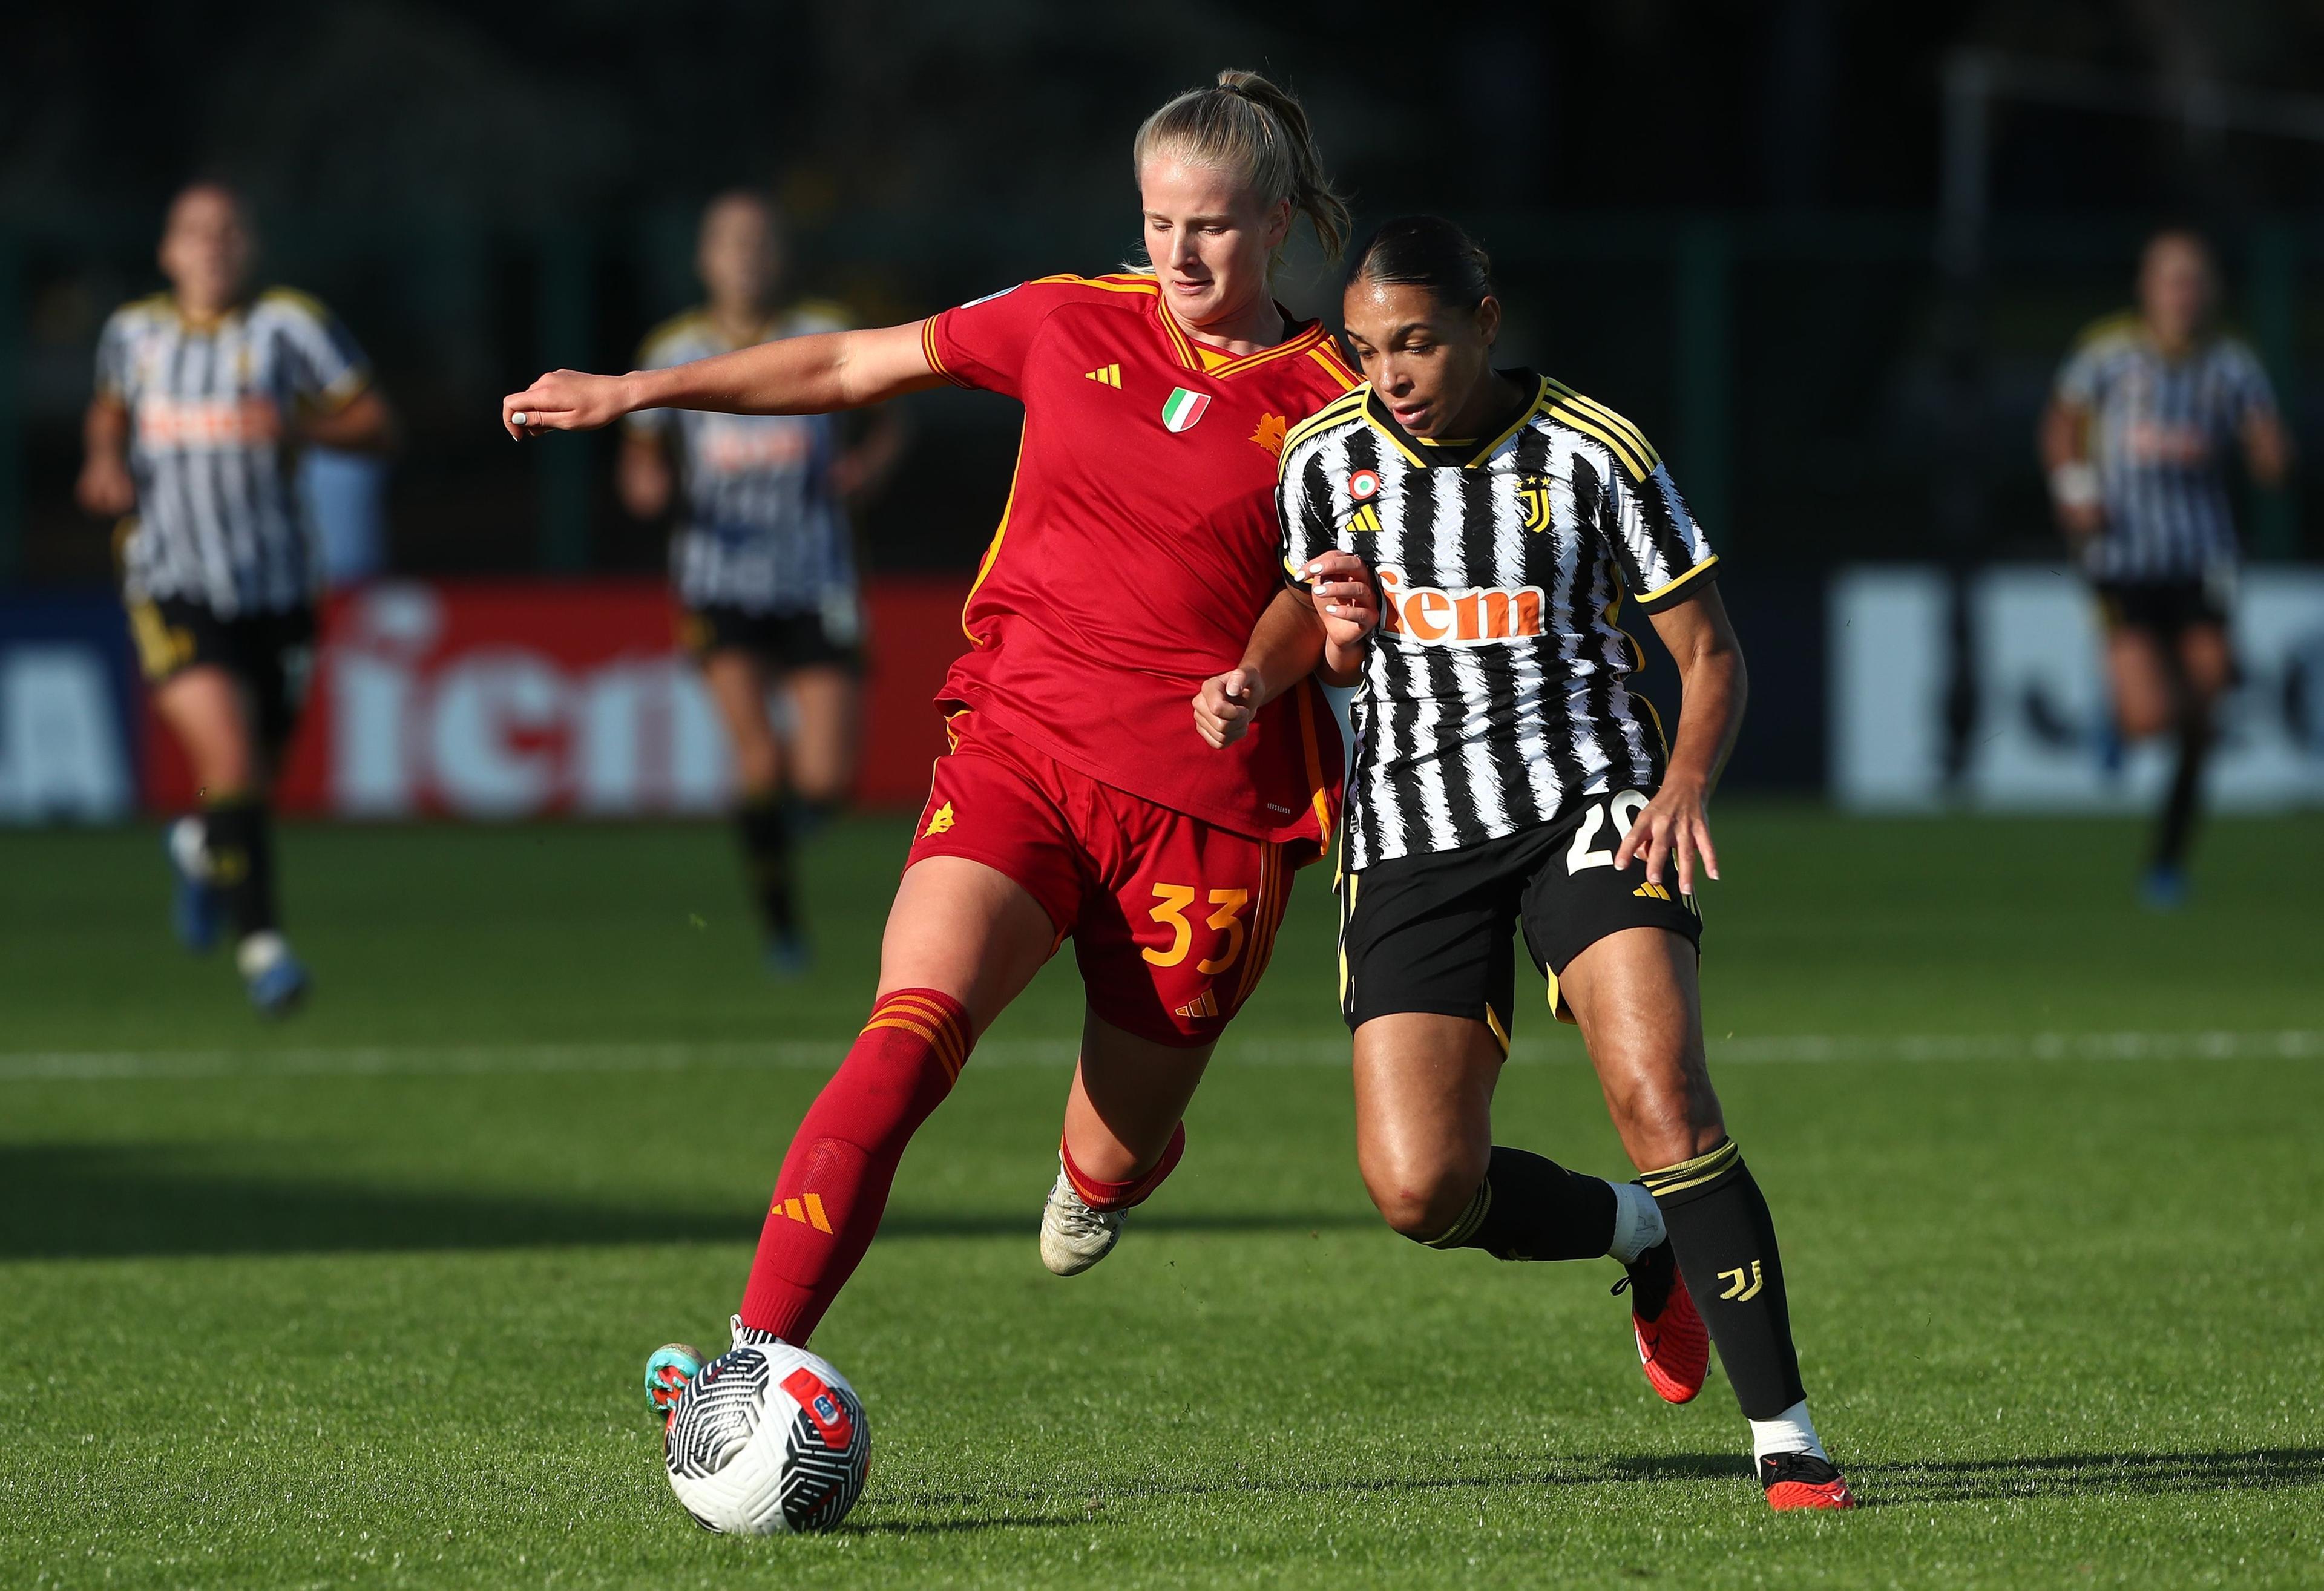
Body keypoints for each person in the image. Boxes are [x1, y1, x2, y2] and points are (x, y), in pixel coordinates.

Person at [501, 72, 1361, 1412]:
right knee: (905, 1035)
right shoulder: (1067, 319)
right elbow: (848, 363)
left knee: (1110, 1155)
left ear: (1282, 223)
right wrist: (639, 390)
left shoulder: (1339, 401)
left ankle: (1109, 1171)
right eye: (1158, 223)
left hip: (1208, 806)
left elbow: (1327, 598)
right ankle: (749, 1361)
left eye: (1212, 226)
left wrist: (1271, 667)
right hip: (1024, 745)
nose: (1180, 254)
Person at [1193, 217, 1854, 1511]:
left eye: (1417, 342)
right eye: (1367, 349)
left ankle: (1787, 1437)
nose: (1390, 374)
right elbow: (1306, 605)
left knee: (1664, 1097)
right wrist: (1257, 674)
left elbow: (1710, 652)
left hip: (1590, 802)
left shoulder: (1594, 452)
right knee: (1419, 1186)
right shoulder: (1324, 457)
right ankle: (1640, 1232)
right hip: (1411, 828)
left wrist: (1683, 782)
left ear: (1486, 324)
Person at [77, 182, 395, 1013]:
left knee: (254, 776)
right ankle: (265, 950)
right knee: (229, 760)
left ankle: (196, 843)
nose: (212, 245)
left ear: (250, 246)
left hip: (278, 584)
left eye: (227, 231)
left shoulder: (291, 325)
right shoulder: (133, 333)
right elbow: (108, 411)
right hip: (172, 580)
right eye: (195, 231)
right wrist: (104, 460)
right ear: (168, 251)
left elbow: (376, 425)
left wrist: (297, 426)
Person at [620, 191, 905, 973]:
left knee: (826, 776)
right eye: (730, 242)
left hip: (818, 575)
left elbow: (893, 415)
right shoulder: (672, 346)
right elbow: (640, 457)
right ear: (704, 259)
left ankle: (777, 833)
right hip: (719, 581)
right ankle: (782, 926)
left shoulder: (825, 329)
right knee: (760, 760)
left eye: (758, 242)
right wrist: (645, 484)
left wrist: (868, 466)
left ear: (780, 255)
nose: (745, 256)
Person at [2039, 229, 2290, 908]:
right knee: (2153, 718)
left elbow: (2269, 444)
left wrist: (2270, 455)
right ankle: (2116, 714)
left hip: (2202, 556)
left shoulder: (2232, 364)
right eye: (2172, 281)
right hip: (2122, 556)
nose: (2183, 295)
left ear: (2212, 291)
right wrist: (2075, 489)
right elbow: (2060, 426)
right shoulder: (2107, 353)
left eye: (2194, 281)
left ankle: (2167, 861)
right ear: (2147, 289)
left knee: (2204, 716)